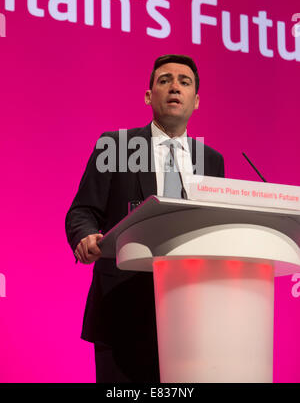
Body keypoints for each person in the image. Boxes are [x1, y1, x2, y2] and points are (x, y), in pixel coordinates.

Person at [65, 54, 225, 383]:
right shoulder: (116, 146)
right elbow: (82, 211)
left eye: (184, 81)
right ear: (148, 95)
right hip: (122, 310)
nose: (174, 87)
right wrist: (85, 236)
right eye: (164, 80)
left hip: (189, 314)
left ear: (196, 101)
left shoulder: (211, 159)